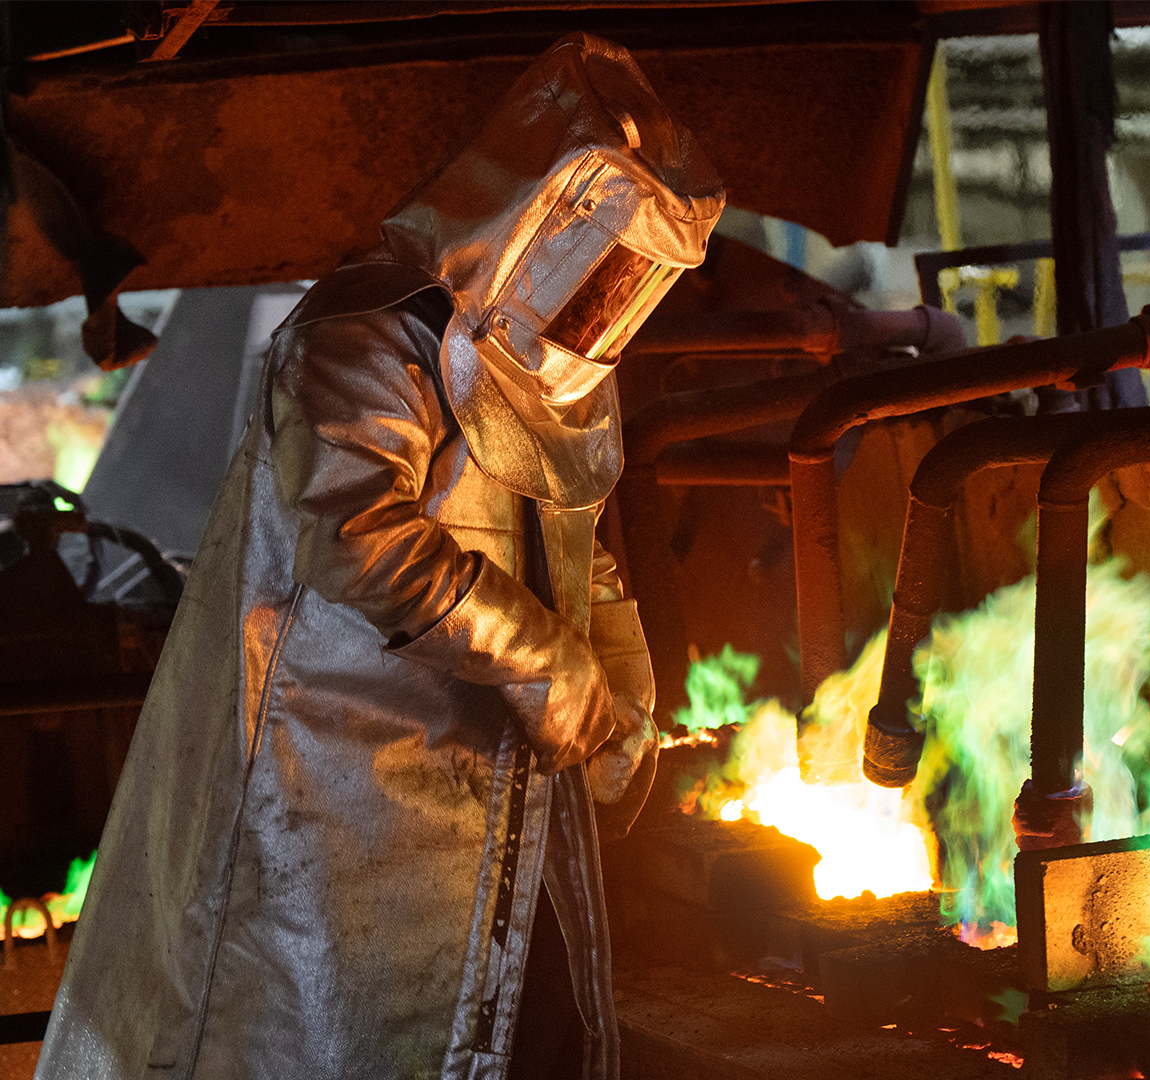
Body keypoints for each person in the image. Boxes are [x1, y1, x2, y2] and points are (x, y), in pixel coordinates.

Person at [35, 33, 722, 1080]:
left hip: (490, 826)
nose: (603, 307)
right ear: (534, 224)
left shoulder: (535, 377)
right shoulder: (359, 342)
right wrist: (548, 665)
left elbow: (573, 540)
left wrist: (619, 666)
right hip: (335, 804)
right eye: (600, 271)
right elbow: (362, 533)